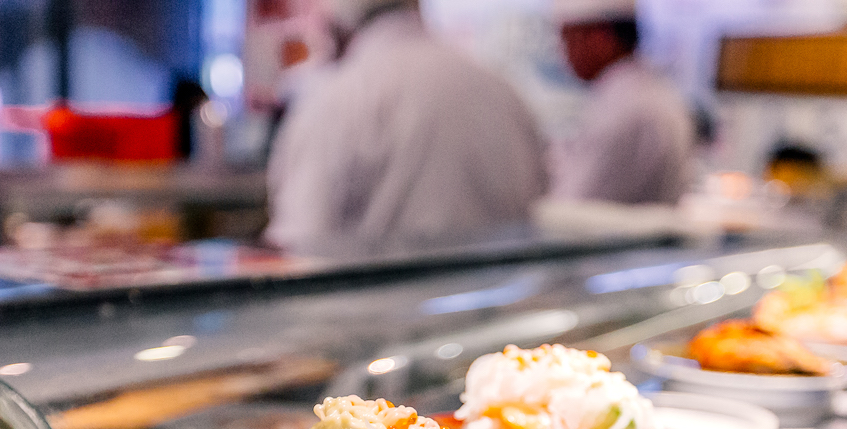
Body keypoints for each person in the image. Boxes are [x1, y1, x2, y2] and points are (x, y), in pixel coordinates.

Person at [265, 0, 546, 254]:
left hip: (375, 309)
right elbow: (537, 201)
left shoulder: (337, 98)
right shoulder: (501, 91)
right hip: (495, 305)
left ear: (338, 25)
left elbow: (300, 245)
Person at [551, 0, 693, 205]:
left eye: (568, 39)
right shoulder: (644, 93)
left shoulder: (627, 107)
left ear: (601, 37)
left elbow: (574, 205)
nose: (563, 54)